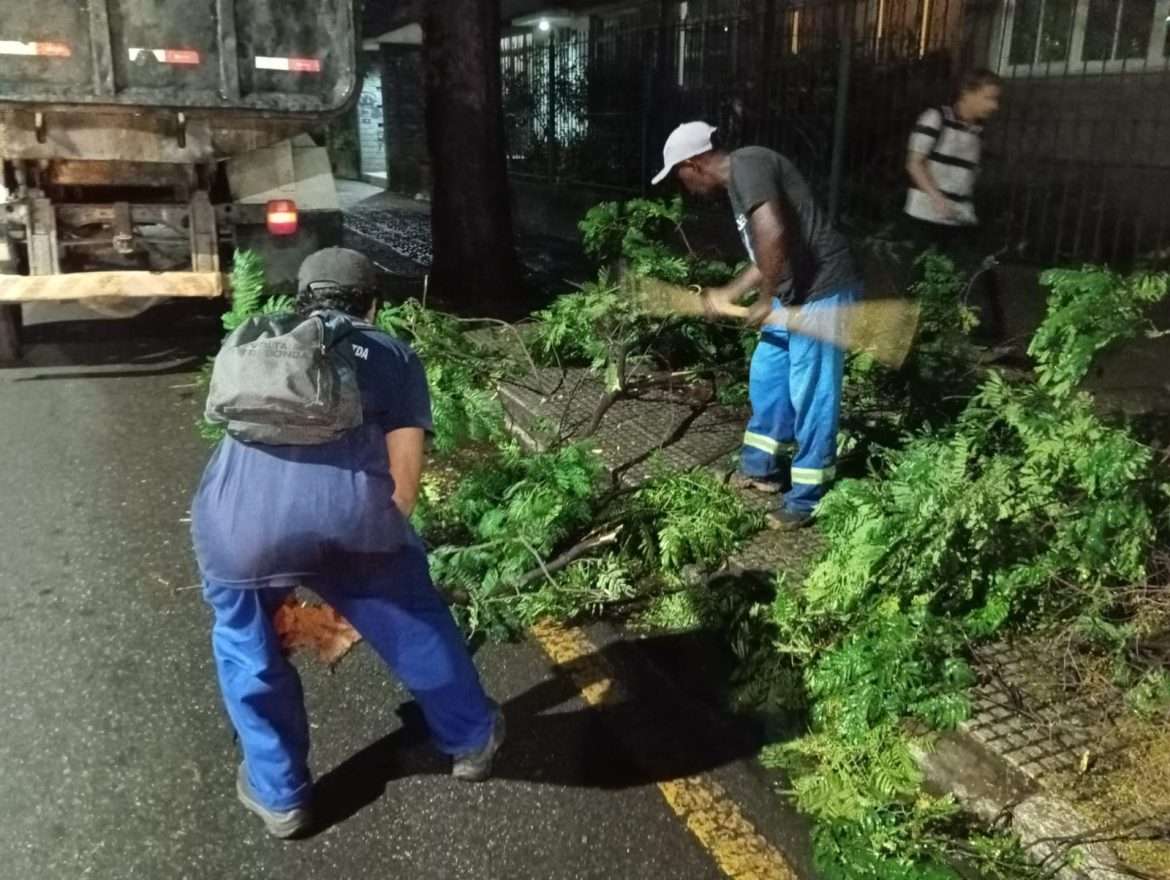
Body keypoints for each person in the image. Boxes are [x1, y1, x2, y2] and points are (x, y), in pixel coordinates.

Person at [191, 248, 503, 839]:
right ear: (372, 305)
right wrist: (381, 557)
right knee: (415, 622)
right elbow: (403, 482)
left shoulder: (257, 341)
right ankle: (471, 740)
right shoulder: (389, 354)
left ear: (303, 299)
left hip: (238, 525)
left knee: (245, 646)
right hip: (347, 518)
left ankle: (280, 797)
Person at [652, 122, 862, 529]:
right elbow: (767, 251)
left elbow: (773, 232)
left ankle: (807, 499)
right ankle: (760, 469)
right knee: (768, 377)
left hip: (822, 291)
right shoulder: (742, 181)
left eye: (680, 176)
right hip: (793, 292)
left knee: (812, 396)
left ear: (693, 164)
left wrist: (764, 300)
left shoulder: (747, 165)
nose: (683, 187)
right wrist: (730, 293)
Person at [904, 69, 1006, 340]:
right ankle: (914, 338)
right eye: (988, 98)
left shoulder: (977, 131)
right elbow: (915, 163)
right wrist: (937, 197)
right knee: (922, 277)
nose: (993, 105)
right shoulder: (935, 118)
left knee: (980, 273)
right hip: (926, 214)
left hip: (959, 215)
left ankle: (987, 340)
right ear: (967, 93)